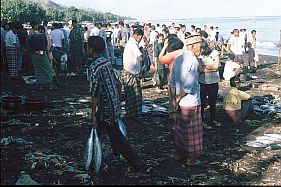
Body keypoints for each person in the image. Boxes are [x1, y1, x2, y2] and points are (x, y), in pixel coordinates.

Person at [88, 36, 146, 178]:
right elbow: (116, 83)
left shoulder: (93, 67)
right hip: (113, 105)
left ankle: (138, 166)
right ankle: (91, 161)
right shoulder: (107, 63)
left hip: (105, 110)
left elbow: (95, 93)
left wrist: (93, 114)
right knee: (100, 133)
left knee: (117, 139)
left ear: (91, 49)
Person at [170, 34, 203, 166]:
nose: (200, 49)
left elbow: (172, 80)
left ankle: (179, 154)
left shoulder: (179, 59)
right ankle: (190, 159)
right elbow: (189, 86)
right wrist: (177, 99)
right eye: (199, 46)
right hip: (190, 102)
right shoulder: (193, 61)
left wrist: (173, 99)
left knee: (180, 129)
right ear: (193, 46)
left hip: (180, 101)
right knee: (192, 132)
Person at [198, 40, 221, 128]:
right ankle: (202, 120)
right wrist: (212, 68)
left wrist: (205, 68)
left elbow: (217, 66)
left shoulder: (215, 53)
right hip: (202, 81)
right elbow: (200, 70)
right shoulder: (199, 56)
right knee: (202, 102)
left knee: (212, 101)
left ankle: (213, 119)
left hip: (213, 81)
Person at [121, 28, 144, 118]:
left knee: (133, 95)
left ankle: (133, 114)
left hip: (131, 73)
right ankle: (132, 114)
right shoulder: (133, 44)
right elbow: (140, 57)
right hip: (130, 74)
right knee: (133, 95)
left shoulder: (132, 43)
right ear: (139, 36)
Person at [28, 25, 56, 90]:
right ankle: (50, 84)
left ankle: (41, 85)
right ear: (41, 30)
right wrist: (47, 55)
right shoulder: (43, 36)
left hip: (34, 54)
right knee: (47, 69)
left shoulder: (32, 36)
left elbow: (28, 46)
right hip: (42, 53)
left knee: (38, 70)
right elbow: (45, 46)